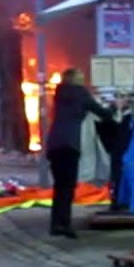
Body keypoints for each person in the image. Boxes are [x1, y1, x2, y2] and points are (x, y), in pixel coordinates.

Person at [44, 68, 116, 238]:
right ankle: (65, 225)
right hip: (70, 144)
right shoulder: (81, 93)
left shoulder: (59, 93)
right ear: (76, 80)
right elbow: (103, 114)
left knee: (59, 186)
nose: (84, 80)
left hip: (54, 142)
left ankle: (56, 224)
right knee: (68, 187)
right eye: (82, 78)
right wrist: (115, 106)